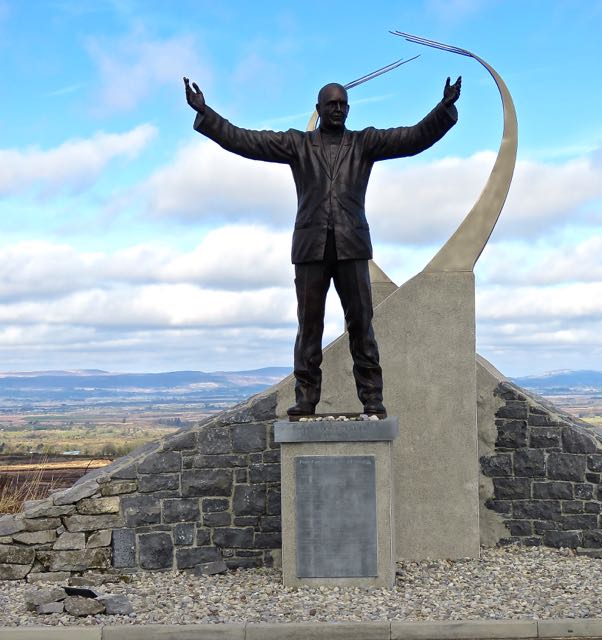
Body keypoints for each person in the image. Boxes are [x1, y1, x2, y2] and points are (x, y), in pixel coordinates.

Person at [184, 75, 461, 417]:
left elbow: (413, 138)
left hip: (352, 247)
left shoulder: (364, 143)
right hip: (310, 249)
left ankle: (372, 400)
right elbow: (246, 141)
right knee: (309, 326)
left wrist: (444, 108)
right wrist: (206, 113)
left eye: (343, 105)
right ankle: (306, 400)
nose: (338, 109)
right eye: (331, 104)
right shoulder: (298, 144)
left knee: (362, 325)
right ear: (318, 109)